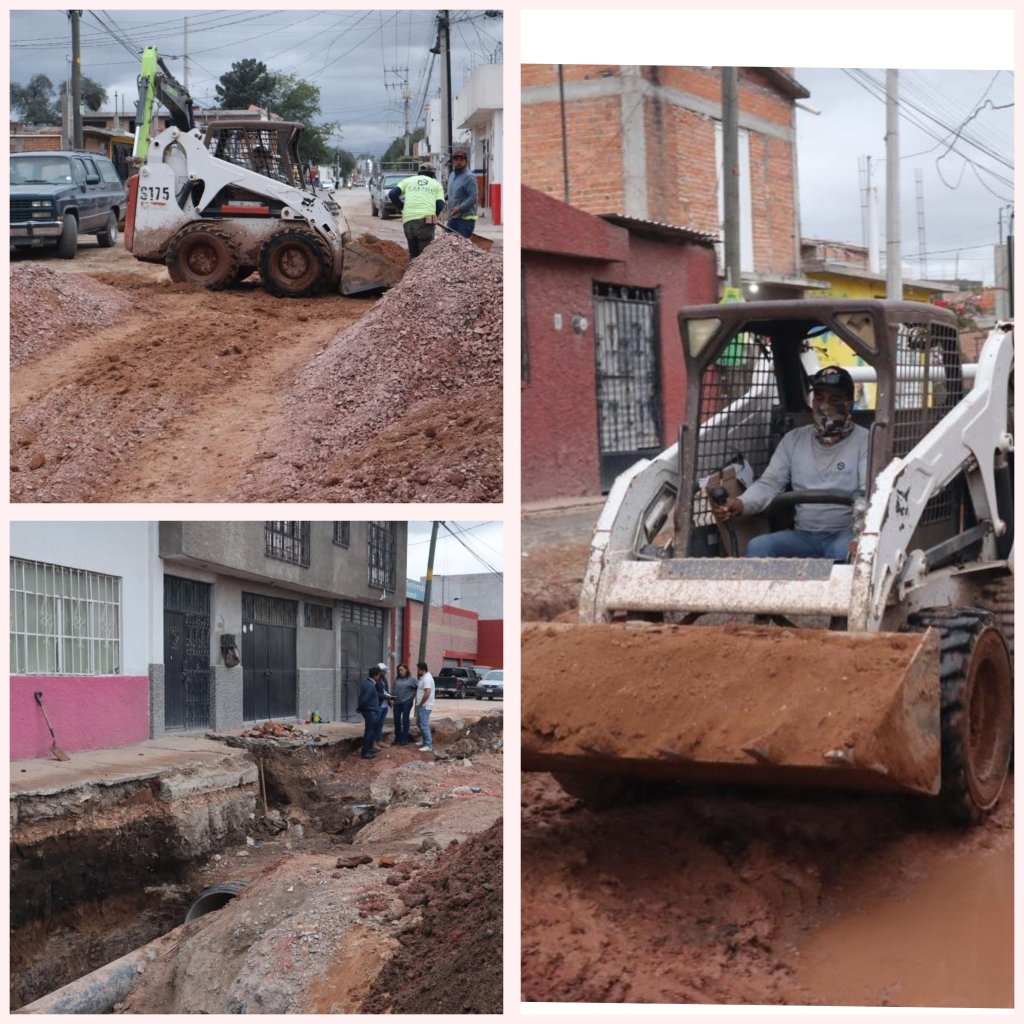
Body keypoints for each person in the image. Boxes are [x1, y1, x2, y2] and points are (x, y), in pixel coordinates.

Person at [711, 365, 868, 561]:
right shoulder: (793, 440)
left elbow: (866, 493)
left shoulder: (866, 441)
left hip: (843, 534)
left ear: (849, 403)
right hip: (804, 535)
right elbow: (770, 483)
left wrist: (859, 535)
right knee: (759, 547)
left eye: (834, 399)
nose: (824, 406)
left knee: (846, 553)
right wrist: (741, 503)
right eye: (819, 398)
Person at [388, 165, 445, 259]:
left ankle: (410, 273)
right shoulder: (436, 184)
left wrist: (402, 207)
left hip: (408, 221)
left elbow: (392, 194)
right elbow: (440, 204)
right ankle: (425, 273)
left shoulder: (408, 180)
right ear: (433, 174)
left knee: (413, 255)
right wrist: (434, 215)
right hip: (425, 222)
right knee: (425, 256)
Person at [446, 148, 478, 239]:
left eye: (461, 160)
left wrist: (459, 208)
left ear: (466, 162)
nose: (458, 162)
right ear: (453, 162)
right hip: (454, 217)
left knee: (459, 246)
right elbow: (453, 192)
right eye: (456, 160)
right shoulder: (452, 175)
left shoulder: (469, 177)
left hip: (465, 219)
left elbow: (473, 197)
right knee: (448, 243)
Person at [358, 667, 383, 759]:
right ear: (376, 675)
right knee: (369, 731)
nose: (379, 677)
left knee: (370, 730)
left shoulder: (368, 683)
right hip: (370, 711)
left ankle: (369, 748)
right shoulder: (370, 685)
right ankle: (365, 752)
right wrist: (360, 708)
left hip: (370, 710)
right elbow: (365, 698)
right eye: (379, 675)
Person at [391, 663, 417, 745]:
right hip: (397, 702)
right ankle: (397, 738)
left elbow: (420, 687)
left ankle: (404, 739)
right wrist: (391, 698)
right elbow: (393, 689)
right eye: (399, 670)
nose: (400, 671)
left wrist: (413, 696)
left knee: (405, 720)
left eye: (402, 670)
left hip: (407, 702)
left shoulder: (412, 679)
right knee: (396, 720)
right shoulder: (397, 679)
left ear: (406, 670)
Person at [414, 661, 435, 753]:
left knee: (424, 725)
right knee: (419, 724)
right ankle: (424, 741)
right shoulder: (424, 678)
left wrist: (421, 703)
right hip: (421, 705)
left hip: (425, 706)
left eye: (418, 670)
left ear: (422, 670)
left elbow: (427, 693)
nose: (417, 671)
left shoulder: (427, 679)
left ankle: (428, 745)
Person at [372, 662, 392, 749]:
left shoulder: (384, 680)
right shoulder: (375, 681)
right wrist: (385, 696)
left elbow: (386, 690)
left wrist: (390, 698)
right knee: (375, 724)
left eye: (385, 671)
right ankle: (373, 742)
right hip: (378, 705)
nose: (385, 673)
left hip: (384, 705)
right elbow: (375, 694)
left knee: (380, 724)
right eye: (383, 671)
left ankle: (379, 740)